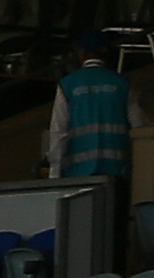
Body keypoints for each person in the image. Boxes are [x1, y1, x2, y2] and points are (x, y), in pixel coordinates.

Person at [49, 35, 132, 182]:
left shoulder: (67, 84)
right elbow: (139, 126)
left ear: (82, 54)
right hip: (117, 170)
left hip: (78, 172)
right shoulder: (122, 83)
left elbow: (59, 132)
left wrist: (54, 173)